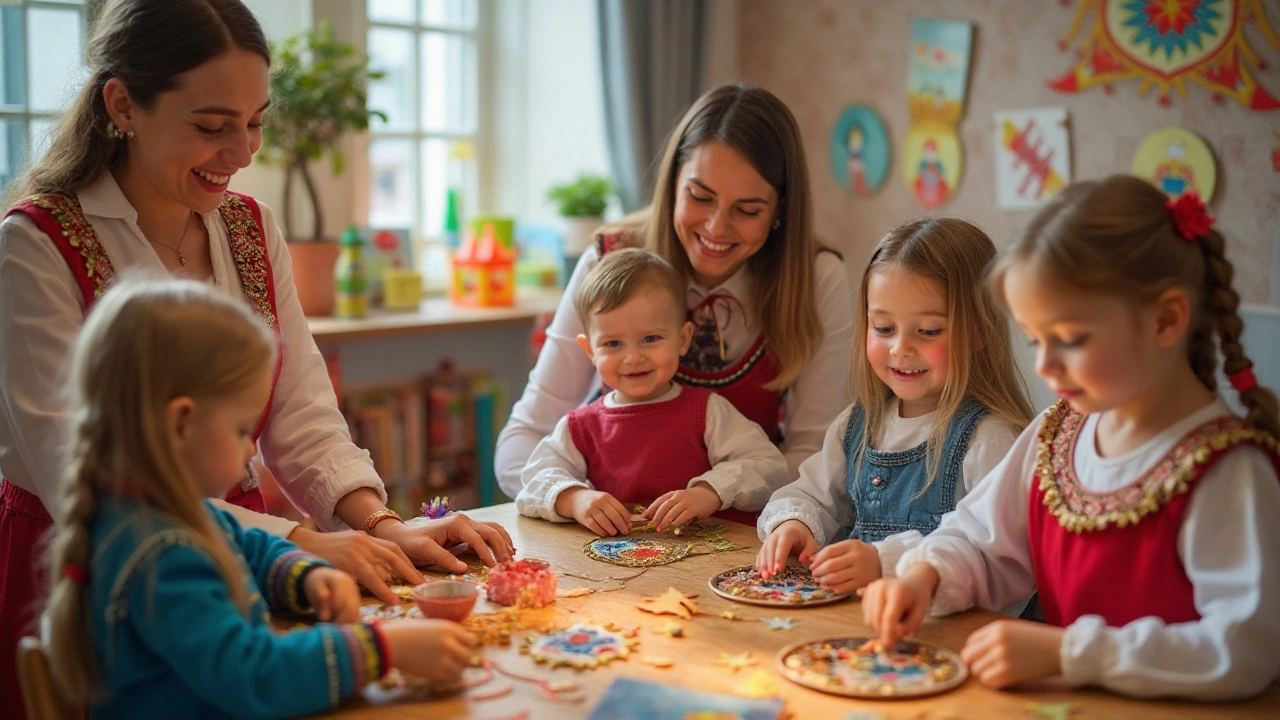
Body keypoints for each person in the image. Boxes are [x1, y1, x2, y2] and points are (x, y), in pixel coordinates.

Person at [0, 0, 510, 707]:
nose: (243, 154)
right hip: (86, 572)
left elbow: (302, 409)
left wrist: (381, 527)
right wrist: (302, 541)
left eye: (256, 122)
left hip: (251, 557)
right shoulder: (33, 245)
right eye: (213, 126)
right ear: (122, 104)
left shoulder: (248, 226)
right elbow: (82, 475)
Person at [862, 176, 1280, 700]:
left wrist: (1068, 653)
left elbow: (1243, 649)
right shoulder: (1059, 432)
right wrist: (924, 574)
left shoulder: (1227, 471)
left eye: (1071, 340)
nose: (1045, 366)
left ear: (1166, 320)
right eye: (1036, 340)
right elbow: (980, 541)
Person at [40, 278, 479, 717]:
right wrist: (383, 647)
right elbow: (255, 675)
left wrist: (304, 574)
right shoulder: (162, 555)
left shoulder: (155, 511)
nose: (253, 450)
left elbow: (246, 545)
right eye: (239, 431)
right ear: (180, 426)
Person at [496, 83, 855, 503]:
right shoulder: (607, 260)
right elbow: (520, 446)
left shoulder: (816, 276)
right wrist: (572, 499)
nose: (717, 228)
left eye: (748, 210)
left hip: (741, 539)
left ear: (780, 211)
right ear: (672, 185)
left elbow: (816, 459)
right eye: (700, 197)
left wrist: (716, 493)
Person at [754, 218, 1032, 594]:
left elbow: (996, 557)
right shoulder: (857, 424)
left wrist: (884, 563)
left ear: (980, 331)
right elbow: (808, 495)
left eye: (929, 331)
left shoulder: (989, 439)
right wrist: (794, 524)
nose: (901, 348)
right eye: (883, 329)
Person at [516, 249, 787, 535]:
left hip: (702, 565)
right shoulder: (579, 427)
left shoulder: (706, 412)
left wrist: (708, 493)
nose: (633, 357)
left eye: (650, 339)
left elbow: (767, 466)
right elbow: (533, 483)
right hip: (614, 570)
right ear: (589, 351)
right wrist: (574, 499)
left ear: (683, 339)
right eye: (613, 344)